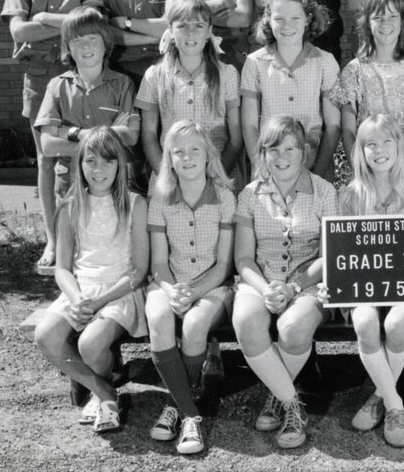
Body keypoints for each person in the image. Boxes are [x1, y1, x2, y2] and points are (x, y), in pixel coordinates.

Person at [1, 0, 101, 270]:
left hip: (81, 77)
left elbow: (93, 24)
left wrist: (41, 19)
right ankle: (53, 240)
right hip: (41, 79)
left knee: (87, 152)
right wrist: (65, 23)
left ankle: (90, 236)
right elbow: (18, 31)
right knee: (47, 158)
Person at [231, 115, 338, 449]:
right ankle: (293, 403)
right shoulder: (250, 195)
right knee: (246, 321)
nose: (282, 156)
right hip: (261, 279)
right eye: (274, 148)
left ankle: (277, 397)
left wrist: (293, 287)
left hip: (309, 281)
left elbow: (330, 254)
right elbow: (244, 259)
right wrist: (266, 290)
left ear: (303, 152)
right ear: (263, 153)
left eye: (291, 147)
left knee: (292, 329)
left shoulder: (324, 191)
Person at [33, 127, 148, 433]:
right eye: (91, 161)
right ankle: (103, 391)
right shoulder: (71, 206)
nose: (99, 170)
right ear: (80, 163)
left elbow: (139, 270)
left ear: (120, 166)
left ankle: (104, 395)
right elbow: (63, 268)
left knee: (91, 343)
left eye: (108, 162)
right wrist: (77, 298)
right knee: (46, 335)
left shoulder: (135, 204)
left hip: (120, 291)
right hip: (80, 291)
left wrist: (100, 301)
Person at [337, 114, 404, 447]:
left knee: (395, 325)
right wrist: (334, 282)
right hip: (363, 288)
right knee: (365, 320)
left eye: (386, 142)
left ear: (400, 145)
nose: (379, 150)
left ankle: (379, 397)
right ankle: (396, 404)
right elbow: (341, 252)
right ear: (360, 151)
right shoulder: (350, 195)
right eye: (370, 144)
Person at [145, 120, 236, 455]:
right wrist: (171, 292)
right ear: (168, 159)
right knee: (158, 319)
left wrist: (193, 294)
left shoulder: (225, 198)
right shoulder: (160, 200)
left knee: (196, 325)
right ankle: (190, 415)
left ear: (208, 155)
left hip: (212, 286)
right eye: (178, 151)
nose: (187, 157)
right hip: (168, 282)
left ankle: (174, 405)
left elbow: (224, 265)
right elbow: (157, 264)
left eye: (194, 149)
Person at [330, 0, 404, 181]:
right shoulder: (354, 71)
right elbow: (348, 131)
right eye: (377, 17)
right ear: (367, 24)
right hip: (366, 168)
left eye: (392, 16)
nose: (385, 23)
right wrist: (364, 174)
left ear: (402, 21)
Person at [136, 0, 242, 189]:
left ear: (209, 31)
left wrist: (215, 176)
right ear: (170, 31)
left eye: (199, 26)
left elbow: (236, 138)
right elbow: (149, 135)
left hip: (218, 177)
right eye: (182, 26)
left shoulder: (227, 74)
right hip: (170, 179)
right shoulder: (155, 75)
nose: (190, 33)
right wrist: (168, 177)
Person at [34, 7, 139, 197]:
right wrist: (105, 137)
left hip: (113, 185)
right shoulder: (56, 86)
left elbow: (130, 135)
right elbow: (48, 145)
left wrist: (68, 133)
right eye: (77, 40)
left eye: (92, 38)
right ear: (67, 47)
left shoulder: (123, 84)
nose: (85, 46)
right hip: (70, 185)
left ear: (106, 43)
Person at [242, 0, 340, 180]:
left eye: (295, 17)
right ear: (268, 20)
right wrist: (262, 169)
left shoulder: (325, 61)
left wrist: (317, 175)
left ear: (307, 19)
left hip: (314, 164)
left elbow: (333, 126)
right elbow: (250, 125)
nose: (287, 25)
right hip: (269, 167)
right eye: (279, 18)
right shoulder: (255, 63)